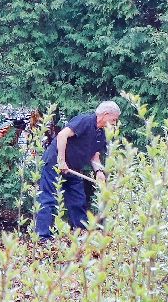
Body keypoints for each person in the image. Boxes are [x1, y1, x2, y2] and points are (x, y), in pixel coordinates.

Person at [33, 101, 120, 240]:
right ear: (105, 114)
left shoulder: (101, 134)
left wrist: (99, 172)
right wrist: (61, 161)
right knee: (48, 199)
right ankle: (43, 237)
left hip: (74, 169)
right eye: (114, 119)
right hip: (55, 163)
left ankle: (81, 236)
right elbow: (62, 135)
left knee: (78, 201)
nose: (115, 123)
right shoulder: (85, 121)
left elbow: (94, 155)